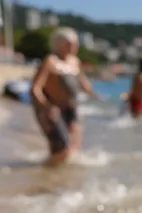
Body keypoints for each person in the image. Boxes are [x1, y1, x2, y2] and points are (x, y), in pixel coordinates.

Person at [30, 27, 100, 165]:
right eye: (70, 43)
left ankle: (61, 179)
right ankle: (46, 175)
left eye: (75, 43)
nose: (74, 46)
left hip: (71, 109)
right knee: (62, 149)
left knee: (73, 148)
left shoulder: (75, 61)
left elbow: (83, 84)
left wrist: (98, 96)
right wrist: (46, 106)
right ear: (59, 44)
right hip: (52, 110)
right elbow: (35, 89)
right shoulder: (50, 61)